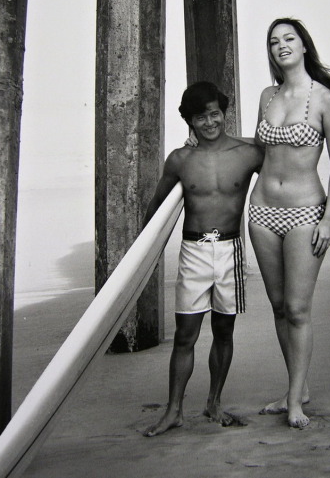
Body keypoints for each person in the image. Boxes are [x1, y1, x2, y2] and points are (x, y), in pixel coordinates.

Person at [142, 81, 263, 436]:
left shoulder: (249, 153)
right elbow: (156, 208)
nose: (210, 122)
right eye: (201, 117)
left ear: (223, 112)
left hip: (231, 250)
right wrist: (142, 255)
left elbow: (283, 176)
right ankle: (174, 410)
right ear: (190, 122)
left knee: (224, 332)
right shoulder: (180, 160)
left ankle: (214, 402)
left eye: (215, 113)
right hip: (193, 251)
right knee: (186, 335)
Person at [249, 17, 330, 429]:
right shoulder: (266, 96)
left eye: (289, 38)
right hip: (262, 212)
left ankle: (295, 403)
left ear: (304, 46)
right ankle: (297, 387)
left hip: (306, 213)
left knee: (297, 308)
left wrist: (329, 219)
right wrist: (208, 146)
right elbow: (257, 152)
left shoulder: (324, 99)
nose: (281, 45)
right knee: (276, 306)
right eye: (274, 41)